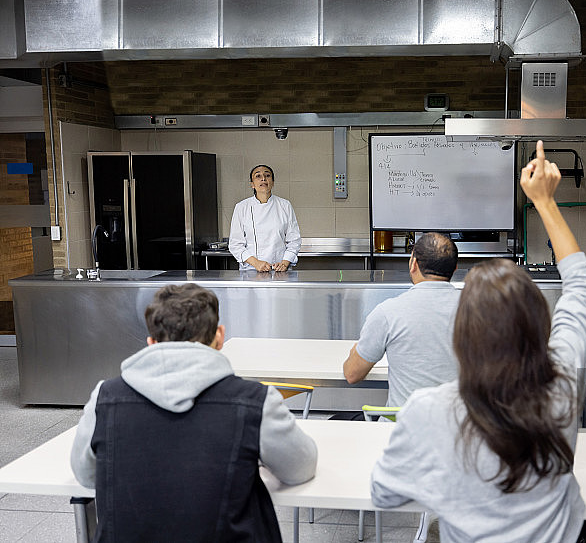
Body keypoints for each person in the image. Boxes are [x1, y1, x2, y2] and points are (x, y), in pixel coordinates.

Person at [369, 140, 586, 542]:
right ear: (537, 326)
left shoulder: (430, 410)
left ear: (463, 337)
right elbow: (583, 288)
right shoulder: (561, 384)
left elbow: (383, 493)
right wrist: (544, 202)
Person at [70, 283, 317, 542]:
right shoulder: (255, 401)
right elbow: (300, 467)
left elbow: (86, 474)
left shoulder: (105, 397)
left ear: (151, 343)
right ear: (219, 337)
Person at [343, 232, 460, 408]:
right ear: (455, 269)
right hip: (459, 429)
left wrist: (355, 352)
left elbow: (352, 374)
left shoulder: (387, 312)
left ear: (413, 264)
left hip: (402, 428)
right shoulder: (478, 311)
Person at [229, 164, 301, 272]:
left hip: (280, 270)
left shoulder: (285, 205)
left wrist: (285, 262)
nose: (263, 178)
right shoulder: (242, 207)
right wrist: (256, 263)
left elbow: (294, 240)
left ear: (272, 182)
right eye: (258, 176)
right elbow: (235, 244)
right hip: (251, 270)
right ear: (252, 184)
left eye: (267, 175)